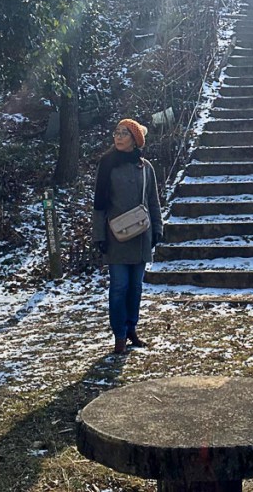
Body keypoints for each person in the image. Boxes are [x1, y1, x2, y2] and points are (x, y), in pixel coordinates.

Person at [92, 118, 163, 354]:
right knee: (119, 286)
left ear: (135, 139)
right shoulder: (107, 165)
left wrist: (158, 229)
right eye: (117, 132)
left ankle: (132, 328)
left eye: (124, 133)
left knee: (136, 287)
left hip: (142, 236)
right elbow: (99, 205)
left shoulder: (146, 167)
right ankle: (119, 335)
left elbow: (153, 201)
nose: (118, 137)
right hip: (116, 237)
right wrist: (99, 235)